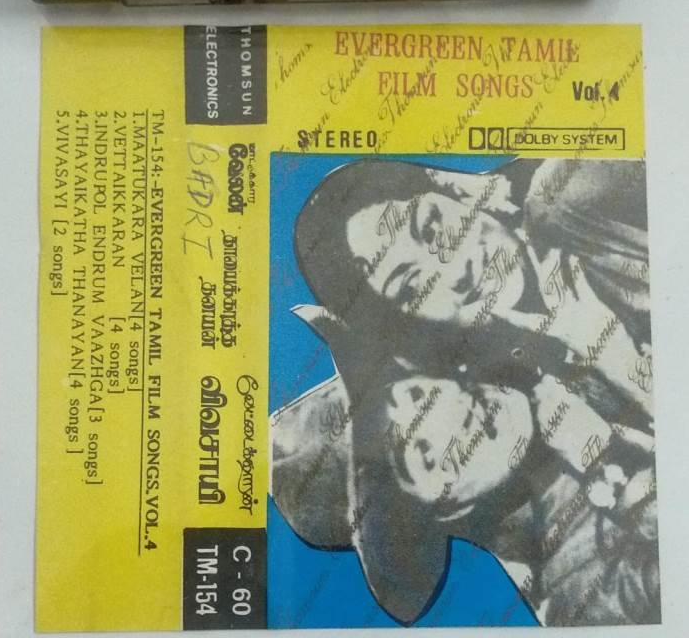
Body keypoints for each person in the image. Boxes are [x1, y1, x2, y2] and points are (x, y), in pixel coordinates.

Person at [271, 157, 657, 624]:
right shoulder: (580, 591)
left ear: (454, 190)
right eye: (412, 285)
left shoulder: (577, 197)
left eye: (432, 228)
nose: (451, 268)